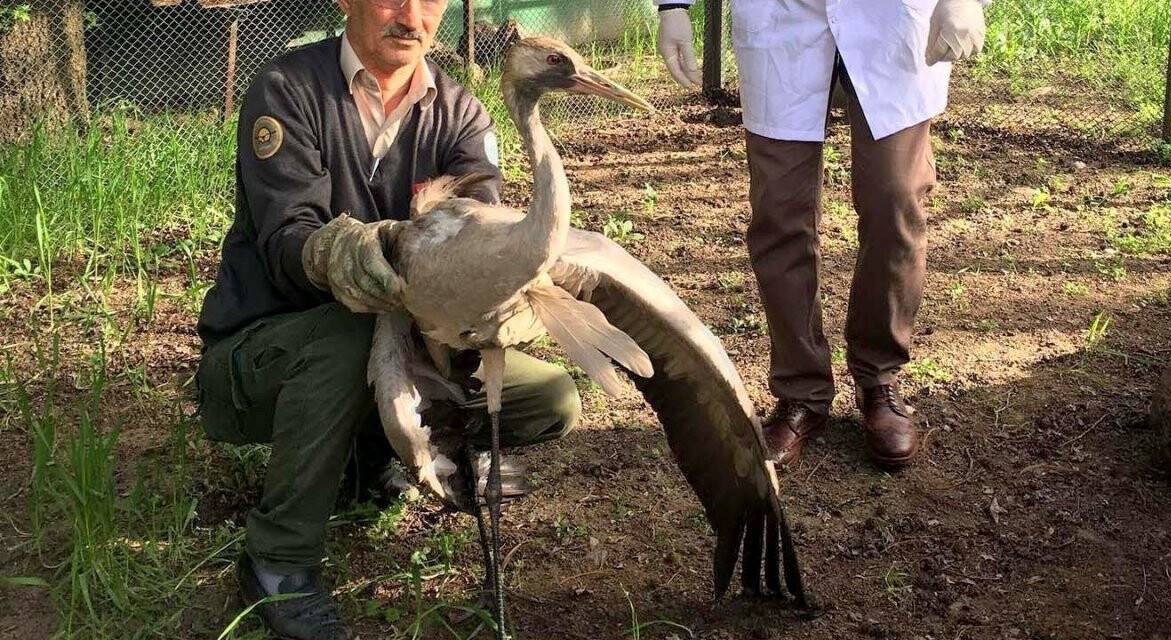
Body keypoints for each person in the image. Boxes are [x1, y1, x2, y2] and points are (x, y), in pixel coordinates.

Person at [194, 1, 581, 637]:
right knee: (351, 332)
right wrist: (338, 253)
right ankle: (277, 561)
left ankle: (377, 459)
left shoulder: (460, 114)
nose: (410, 15)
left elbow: (476, 236)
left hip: (400, 349)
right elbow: (287, 241)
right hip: (264, 357)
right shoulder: (287, 90)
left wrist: (494, 297)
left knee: (549, 397)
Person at [656, 0, 988, 470]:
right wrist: (673, 6)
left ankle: (879, 379)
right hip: (781, 16)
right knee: (779, 213)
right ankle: (800, 391)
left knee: (894, 201)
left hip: (891, 17)